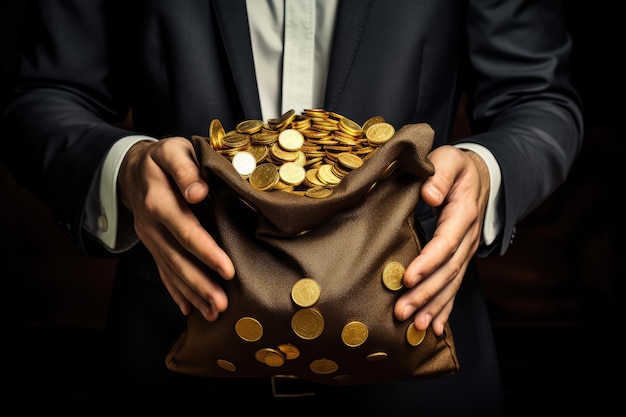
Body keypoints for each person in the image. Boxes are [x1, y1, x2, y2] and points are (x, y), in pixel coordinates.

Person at [0, 0, 583, 414]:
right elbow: (47, 96)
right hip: (170, 358)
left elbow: (536, 96)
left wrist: (488, 171)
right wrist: (124, 170)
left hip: (413, 365)